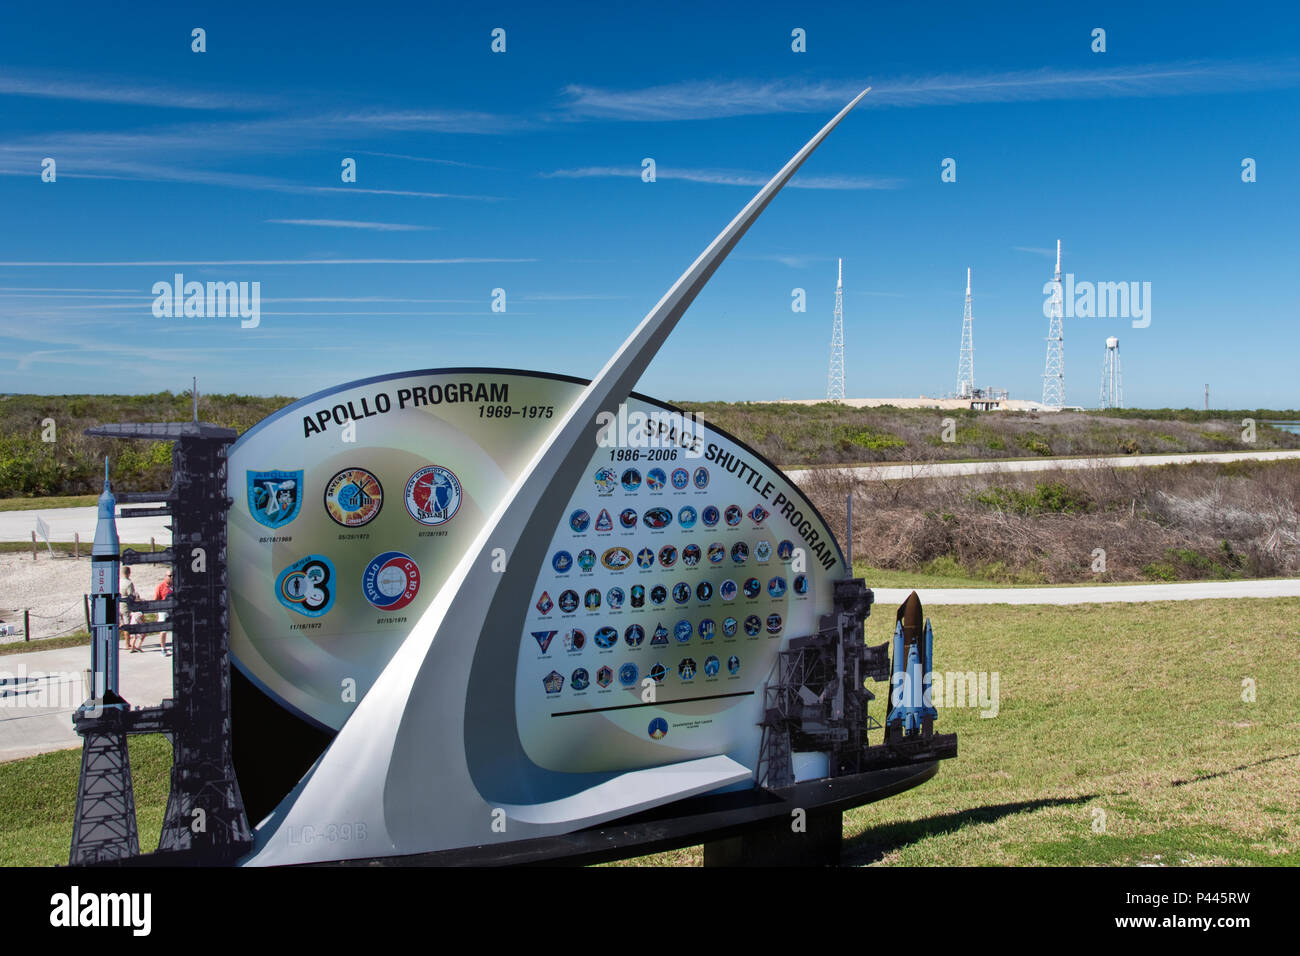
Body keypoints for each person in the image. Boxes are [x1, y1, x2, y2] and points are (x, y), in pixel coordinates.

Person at [154, 570, 173, 656]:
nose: (172, 577)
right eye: (170, 576)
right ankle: (163, 648)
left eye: (173, 576)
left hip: (173, 610)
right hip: (163, 610)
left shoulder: (175, 586)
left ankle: (173, 646)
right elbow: (156, 600)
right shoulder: (160, 587)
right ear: (165, 576)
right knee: (163, 630)